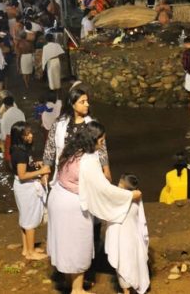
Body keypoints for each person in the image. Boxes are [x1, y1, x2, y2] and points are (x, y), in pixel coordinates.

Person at [46, 121, 141, 294]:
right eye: (101, 140)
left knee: (66, 244)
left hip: (57, 198)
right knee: (77, 246)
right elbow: (103, 189)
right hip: (72, 206)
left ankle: (69, 281)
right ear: (92, 140)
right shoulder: (88, 160)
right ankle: (78, 290)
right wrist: (129, 196)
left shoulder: (72, 150)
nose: (103, 143)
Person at [9, 122, 51, 261]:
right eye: (27, 134)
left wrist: (34, 165)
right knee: (30, 219)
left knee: (25, 218)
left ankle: (27, 248)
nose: (31, 135)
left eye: (30, 132)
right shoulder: (20, 153)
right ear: (20, 136)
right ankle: (31, 252)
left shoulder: (19, 149)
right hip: (25, 188)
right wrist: (41, 171)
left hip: (22, 187)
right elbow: (22, 175)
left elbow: (24, 168)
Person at [105, 173, 151, 294]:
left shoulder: (117, 203)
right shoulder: (136, 201)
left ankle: (126, 291)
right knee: (134, 263)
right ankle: (136, 287)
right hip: (134, 239)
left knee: (123, 264)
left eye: (119, 184)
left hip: (122, 240)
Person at [0, 95, 26, 161]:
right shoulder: (20, 112)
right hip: (20, 136)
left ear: (5, 105)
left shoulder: (5, 115)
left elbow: (3, 131)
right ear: (13, 103)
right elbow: (24, 125)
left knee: (9, 156)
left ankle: (11, 169)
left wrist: (3, 139)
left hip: (10, 137)